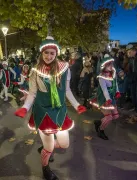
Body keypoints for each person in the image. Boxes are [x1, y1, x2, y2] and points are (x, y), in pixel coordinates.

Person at [14, 36, 86, 180]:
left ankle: (46, 149)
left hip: (59, 111)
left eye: (52, 53)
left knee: (64, 144)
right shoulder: (36, 71)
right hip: (43, 112)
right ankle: (45, 168)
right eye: (46, 53)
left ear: (56, 53)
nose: (48, 56)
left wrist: (77, 104)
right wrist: (25, 108)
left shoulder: (64, 69)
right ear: (41, 53)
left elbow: (66, 90)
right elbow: (33, 93)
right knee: (49, 148)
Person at [90, 55, 121, 140]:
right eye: (109, 65)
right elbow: (104, 89)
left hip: (112, 98)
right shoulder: (101, 77)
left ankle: (98, 122)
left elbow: (116, 84)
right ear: (104, 66)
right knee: (109, 117)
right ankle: (101, 130)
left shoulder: (112, 73)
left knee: (116, 116)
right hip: (104, 98)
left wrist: (117, 91)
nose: (111, 66)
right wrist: (108, 99)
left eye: (111, 64)